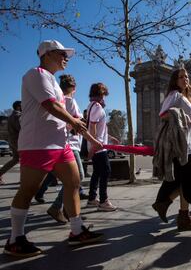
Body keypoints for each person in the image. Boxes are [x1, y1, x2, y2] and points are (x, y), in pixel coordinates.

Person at [3, 40, 104, 257]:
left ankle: (77, 231)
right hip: (37, 144)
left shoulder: (54, 83)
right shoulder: (35, 74)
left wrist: (90, 138)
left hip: (60, 143)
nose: (66, 58)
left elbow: (63, 114)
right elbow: (50, 105)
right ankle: (15, 239)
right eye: (62, 53)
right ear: (46, 55)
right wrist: (74, 122)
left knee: (74, 182)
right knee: (28, 190)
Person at [152, 68, 191, 231]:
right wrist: (179, 115)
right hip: (184, 146)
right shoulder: (174, 95)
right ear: (175, 80)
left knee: (185, 182)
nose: (185, 79)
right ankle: (175, 210)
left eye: (186, 77)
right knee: (185, 182)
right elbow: (163, 114)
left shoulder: (185, 97)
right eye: (181, 77)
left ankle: (177, 212)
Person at [44, 74, 91, 223]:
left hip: (63, 143)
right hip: (71, 145)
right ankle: (57, 207)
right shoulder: (70, 101)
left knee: (71, 179)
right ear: (74, 88)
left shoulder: (60, 101)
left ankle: (67, 210)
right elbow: (75, 125)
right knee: (78, 177)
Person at [85, 82, 119, 211]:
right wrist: (94, 144)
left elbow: (98, 127)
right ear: (101, 93)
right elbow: (93, 126)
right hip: (99, 146)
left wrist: (109, 138)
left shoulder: (91, 105)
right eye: (104, 94)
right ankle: (103, 201)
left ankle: (92, 198)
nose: (105, 97)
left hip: (97, 143)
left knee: (97, 172)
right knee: (106, 171)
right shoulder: (98, 106)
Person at [0, 101, 21, 185]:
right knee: (25, 159)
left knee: (15, 159)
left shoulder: (11, 116)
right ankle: (24, 179)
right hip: (18, 141)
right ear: (18, 107)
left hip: (12, 140)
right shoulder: (18, 116)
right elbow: (21, 128)